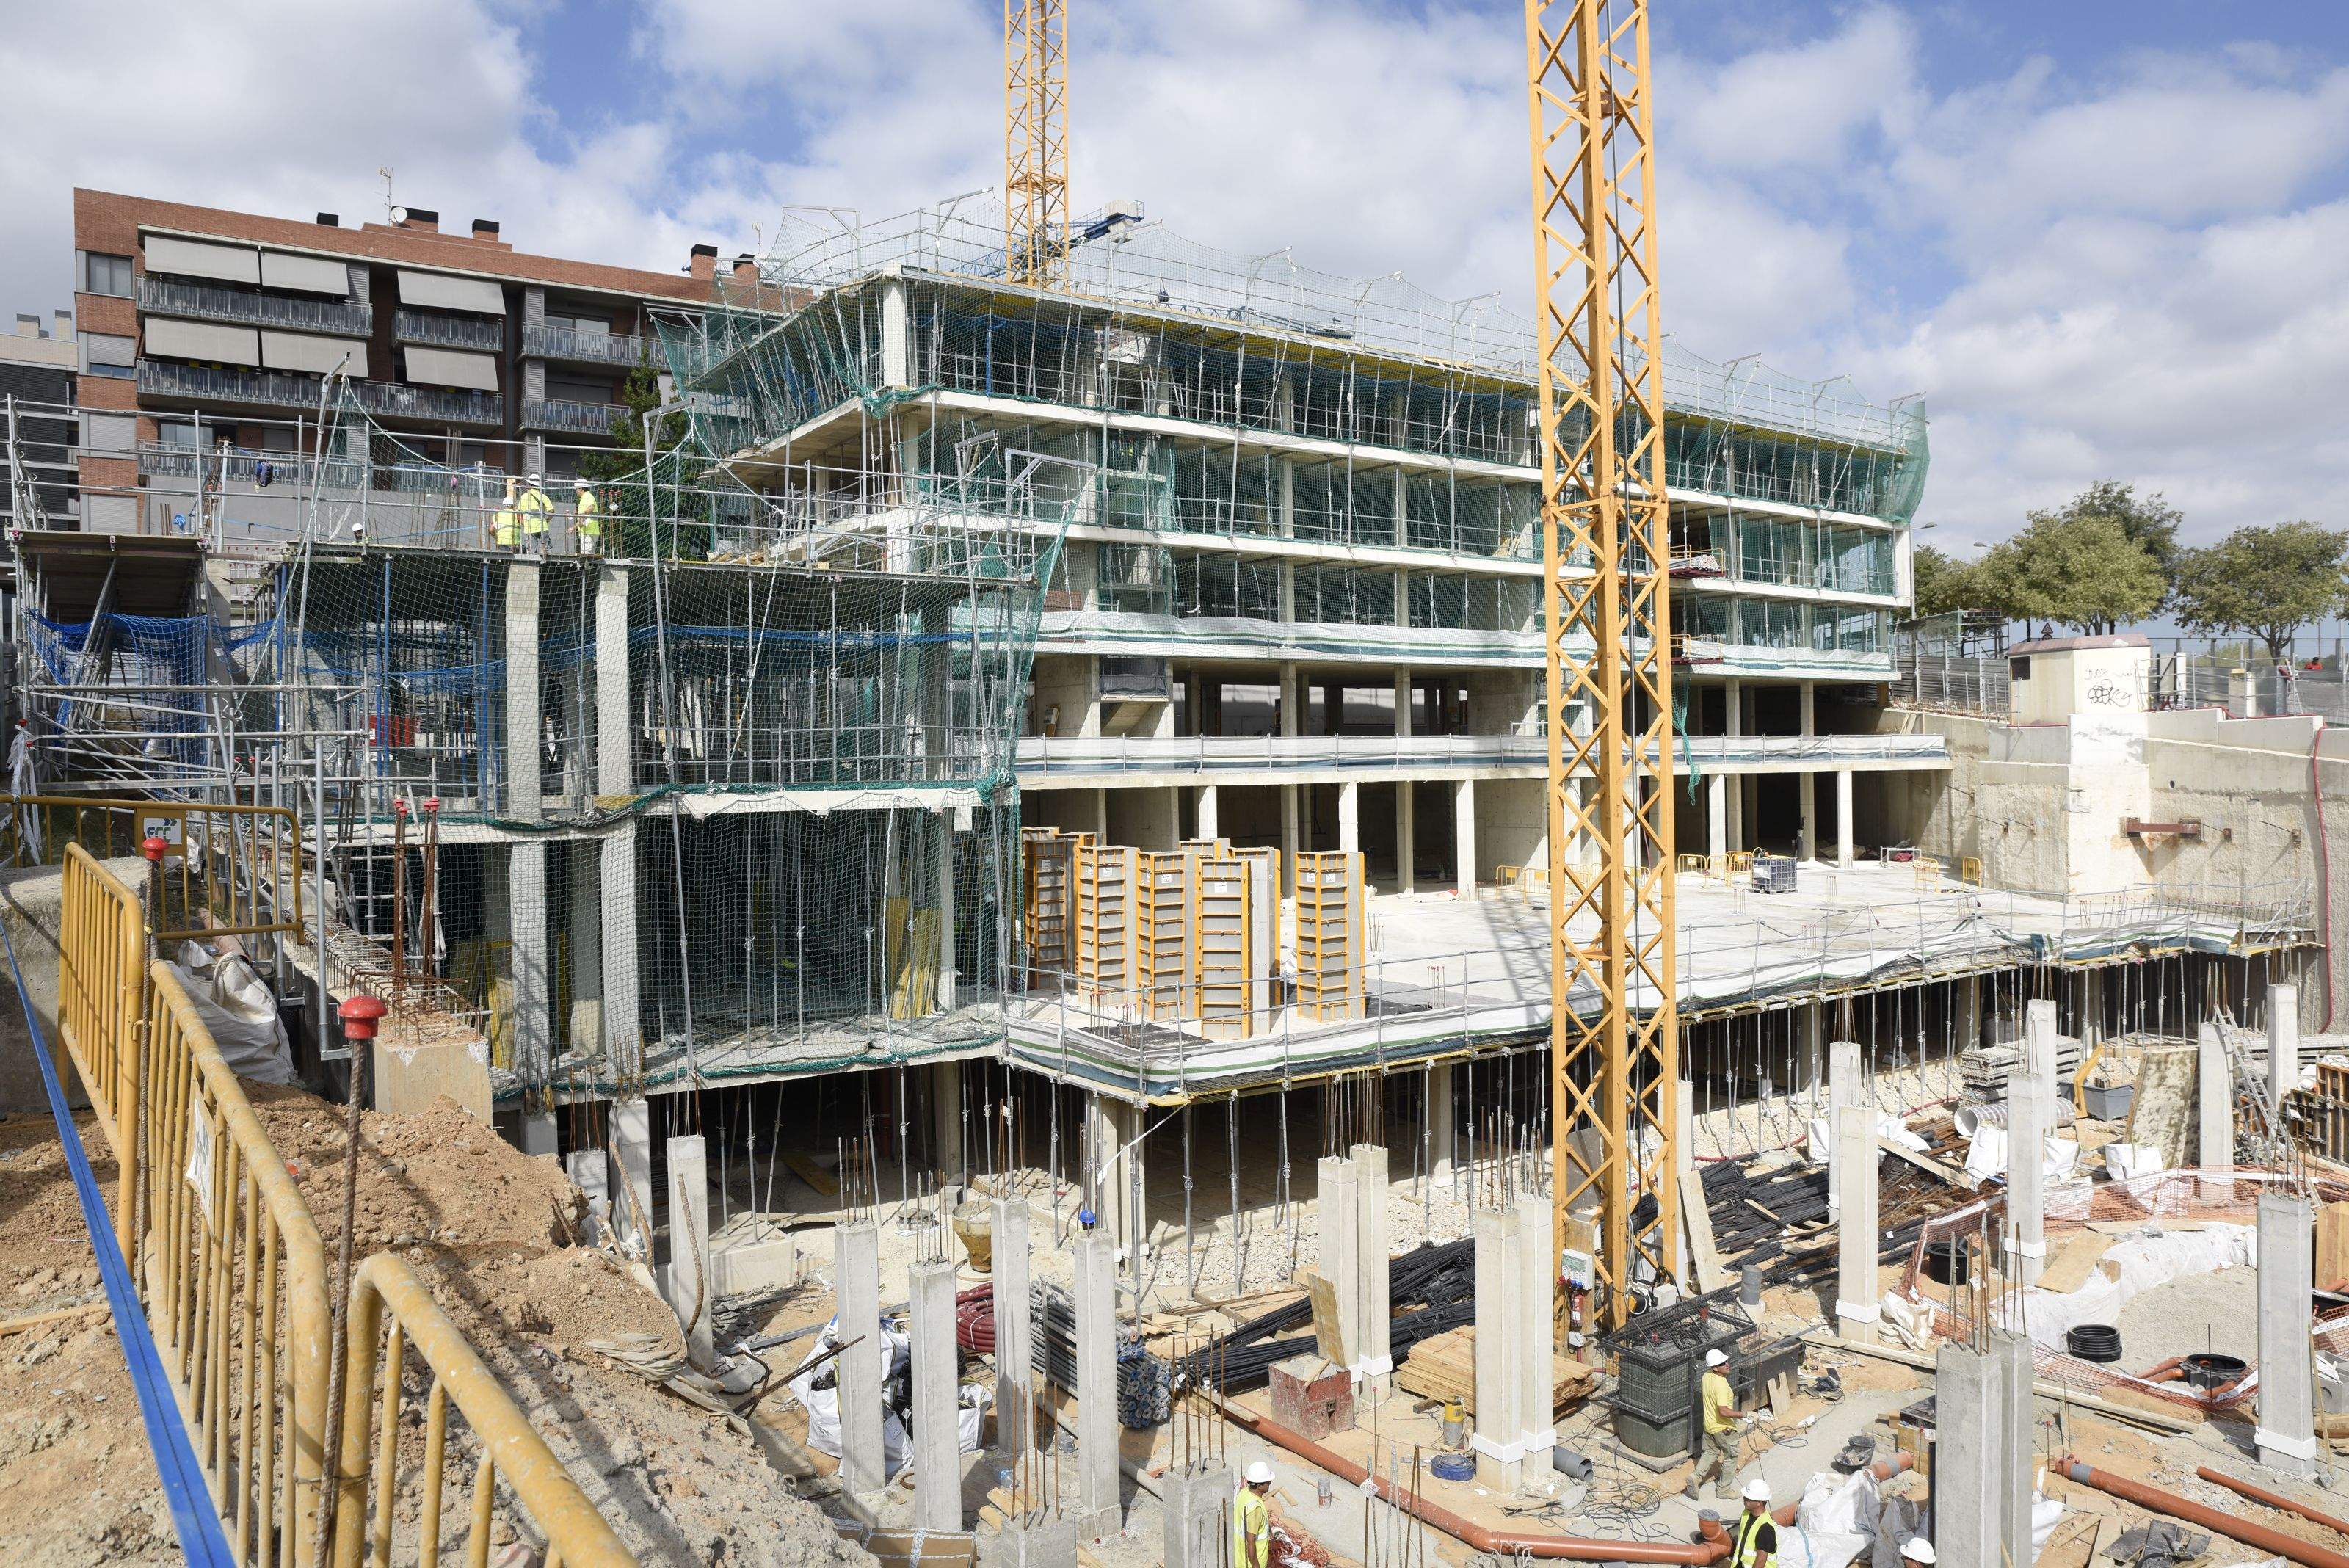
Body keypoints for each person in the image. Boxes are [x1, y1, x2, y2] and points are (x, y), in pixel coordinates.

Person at [1687, 1346, 1746, 1500]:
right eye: (1723, 1364)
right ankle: (1724, 1490)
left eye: (1726, 1361)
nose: (1727, 1365)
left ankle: (1696, 1477)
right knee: (1731, 1457)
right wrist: (1741, 1414)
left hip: (1709, 1426)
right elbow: (1724, 1411)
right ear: (1715, 1368)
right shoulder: (1720, 1384)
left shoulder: (1706, 1376)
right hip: (1723, 1428)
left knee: (1711, 1453)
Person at [1232, 1460, 1274, 1568]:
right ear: (1259, 1486)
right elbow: (1250, 1542)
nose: (1270, 1483)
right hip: (1251, 1564)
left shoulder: (1244, 1493)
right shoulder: (1255, 1509)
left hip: (1239, 1559)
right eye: (1267, 1481)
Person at [1729, 1477, 1776, 1567]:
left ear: (1759, 1502)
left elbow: (1761, 1561)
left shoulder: (1765, 1528)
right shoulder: (1746, 1514)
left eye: (1748, 1498)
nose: (1744, 1499)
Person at [517, 473, 553, 556]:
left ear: (529, 485)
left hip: (530, 527)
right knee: (547, 548)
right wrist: (546, 521)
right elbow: (552, 512)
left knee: (532, 552)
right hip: (543, 526)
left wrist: (523, 523)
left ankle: (533, 559)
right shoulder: (543, 496)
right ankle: (546, 552)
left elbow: (519, 513)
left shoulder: (524, 496)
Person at [573, 477, 602, 555]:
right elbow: (582, 518)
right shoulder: (584, 498)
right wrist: (573, 528)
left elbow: (591, 507)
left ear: (582, 488)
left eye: (577, 489)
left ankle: (587, 567)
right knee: (586, 555)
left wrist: (582, 517)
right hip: (587, 531)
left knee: (587, 556)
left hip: (589, 532)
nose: (576, 491)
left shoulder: (588, 497)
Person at [492, 478, 521, 553]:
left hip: (502, 544)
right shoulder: (516, 514)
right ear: (513, 505)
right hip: (515, 543)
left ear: (504, 505)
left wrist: (497, 538)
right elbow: (524, 523)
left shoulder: (497, 515)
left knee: (503, 562)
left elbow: (491, 530)